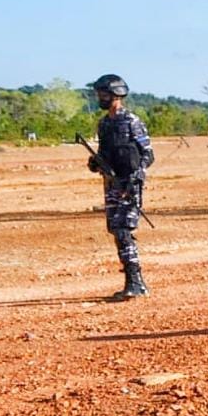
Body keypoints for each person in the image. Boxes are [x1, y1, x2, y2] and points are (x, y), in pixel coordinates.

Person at [86, 74, 154, 300]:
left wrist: (136, 177)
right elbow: (106, 153)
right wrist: (96, 163)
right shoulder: (104, 123)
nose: (100, 98)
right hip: (111, 185)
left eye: (103, 94)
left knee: (124, 229)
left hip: (129, 184)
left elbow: (147, 154)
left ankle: (136, 282)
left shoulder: (131, 121)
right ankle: (132, 281)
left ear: (116, 95)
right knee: (116, 230)